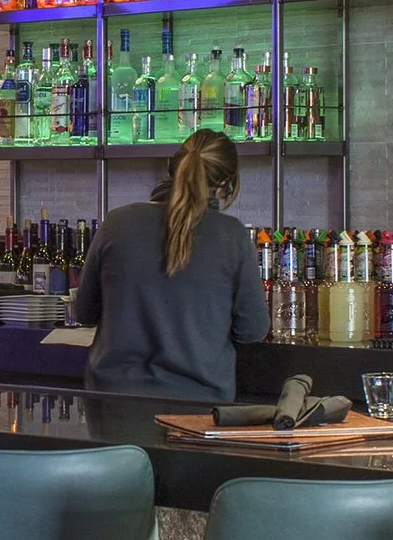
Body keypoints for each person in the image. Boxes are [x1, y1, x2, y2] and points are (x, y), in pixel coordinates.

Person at [74, 128, 267, 402]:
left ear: (171, 168)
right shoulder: (231, 234)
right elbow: (253, 330)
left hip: (112, 403)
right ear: (226, 185)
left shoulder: (116, 223)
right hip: (199, 407)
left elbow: (84, 312)